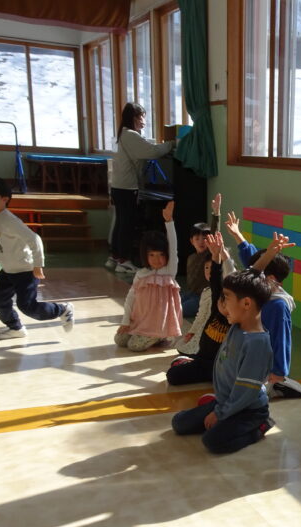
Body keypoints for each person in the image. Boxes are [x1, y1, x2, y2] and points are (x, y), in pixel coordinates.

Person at [171, 235, 290, 454]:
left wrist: (220, 414)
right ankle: (221, 411)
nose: (222, 304)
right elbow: (251, 276)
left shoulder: (256, 344)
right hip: (227, 401)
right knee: (179, 423)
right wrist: (269, 254)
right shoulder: (237, 323)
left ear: (246, 304)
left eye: (226, 298)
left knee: (213, 441)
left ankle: (260, 426)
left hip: (248, 409)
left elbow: (245, 392)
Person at [0, 176, 74, 340]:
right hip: (8, 271)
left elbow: (34, 239)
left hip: (26, 271)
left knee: (28, 307)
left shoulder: (10, 221)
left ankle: (63, 310)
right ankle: (16, 328)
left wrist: (37, 264)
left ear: (4, 199)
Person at [226, 211, 301, 398]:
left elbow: (281, 340)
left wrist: (279, 372)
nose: (251, 274)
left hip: (266, 368)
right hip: (252, 354)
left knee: (246, 395)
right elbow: (252, 263)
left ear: (269, 279)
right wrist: (238, 235)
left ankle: (281, 385)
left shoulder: (278, 305)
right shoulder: (261, 287)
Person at [107, 102, 174, 274]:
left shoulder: (123, 134)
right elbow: (152, 152)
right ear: (133, 118)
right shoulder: (130, 135)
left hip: (118, 187)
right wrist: (172, 144)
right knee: (127, 224)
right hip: (127, 188)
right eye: (141, 117)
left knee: (121, 222)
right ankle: (124, 261)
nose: (144, 121)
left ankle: (115, 256)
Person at [166, 230, 238, 387]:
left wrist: (224, 256)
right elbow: (215, 279)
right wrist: (216, 255)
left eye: (228, 302)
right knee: (173, 374)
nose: (224, 304)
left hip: (219, 367)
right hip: (201, 359)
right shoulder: (215, 306)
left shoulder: (235, 323)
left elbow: (230, 277)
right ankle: (187, 362)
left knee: (222, 382)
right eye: (222, 300)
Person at [114, 201, 183, 352]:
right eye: (152, 255)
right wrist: (125, 321)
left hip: (158, 324)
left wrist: (169, 222)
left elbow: (173, 246)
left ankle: (160, 336)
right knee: (120, 340)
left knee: (134, 346)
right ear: (145, 255)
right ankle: (151, 336)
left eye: (161, 255)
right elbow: (130, 298)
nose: (157, 259)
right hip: (141, 321)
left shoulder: (169, 271)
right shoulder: (141, 274)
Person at [181, 194, 222, 320]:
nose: (201, 242)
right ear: (191, 241)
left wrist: (216, 214)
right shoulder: (191, 257)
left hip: (203, 297)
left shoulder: (208, 255)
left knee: (179, 310)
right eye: (197, 238)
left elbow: (214, 233)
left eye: (204, 238)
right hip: (192, 293)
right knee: (172, 303)